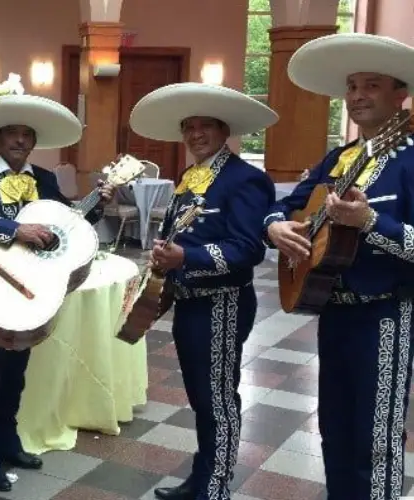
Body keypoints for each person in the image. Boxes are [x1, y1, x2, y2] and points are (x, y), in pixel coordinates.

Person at [264, 33, 414, 499]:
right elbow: (291, 204)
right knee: (333, 428)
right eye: (351, 86)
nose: (357, 95)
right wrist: (275, 228)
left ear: (400, 96)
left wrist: (370, 221)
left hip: (384, 315)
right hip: (332, 310)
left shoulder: (410, 162)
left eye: (372, 84)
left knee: (376, 441)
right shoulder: (340, 158)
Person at [0, 94, 115, 491]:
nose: (20, 141)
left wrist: (96, 205)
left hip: (30, 289)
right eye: (12, 133)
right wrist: (15, 230)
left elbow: (67, 223)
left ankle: (7, 441)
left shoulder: (44, 179)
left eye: (27, 135)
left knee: (16, 372)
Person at [128, 82, 278, 500]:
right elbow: (180, 235)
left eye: (205, 126)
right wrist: (164, 255)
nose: (195, 134)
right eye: (189, 127)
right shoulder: (191, 179)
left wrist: (186, 258)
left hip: (223, 303)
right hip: (190, 303)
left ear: (224, 130)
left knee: (217, 398)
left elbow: (248, 248)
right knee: (200, 396)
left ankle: (215, 486)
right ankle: (201, 476)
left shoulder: (245, 179)